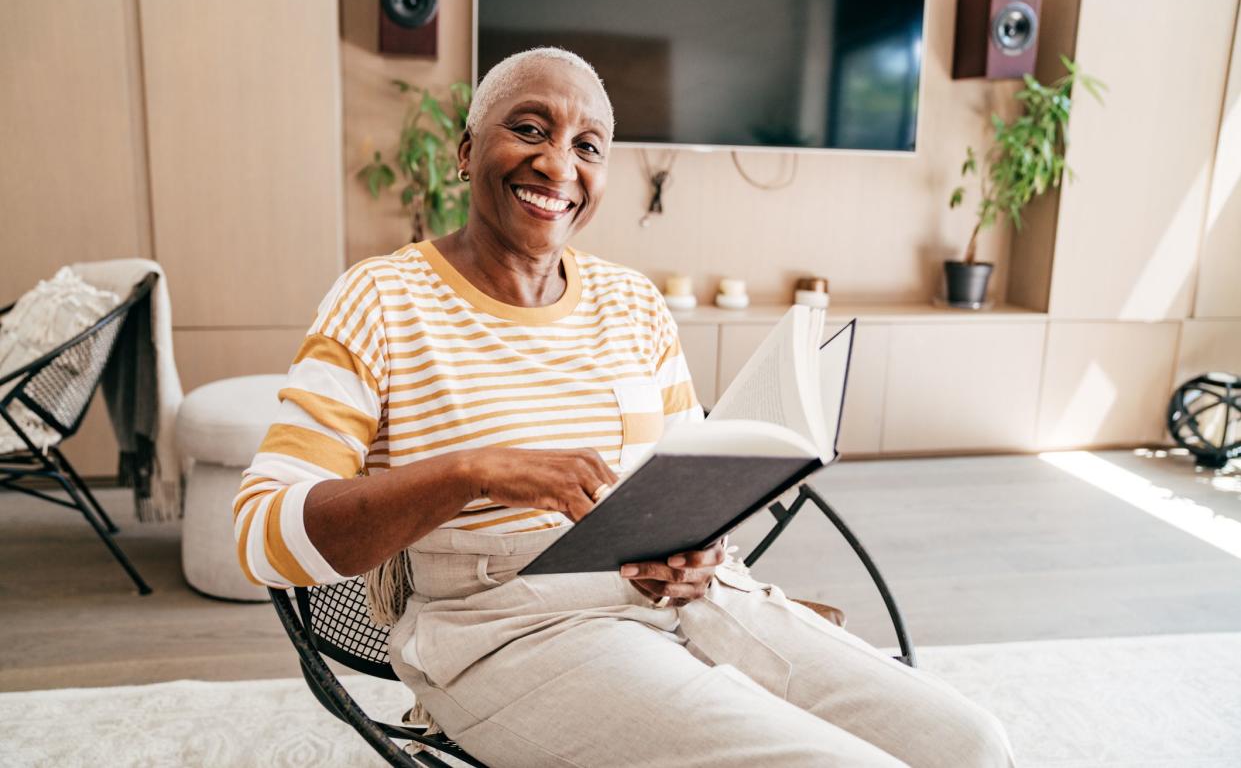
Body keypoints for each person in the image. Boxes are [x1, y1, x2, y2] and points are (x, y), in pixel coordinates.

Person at [236, 47, 1015, 767]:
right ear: (468, 150)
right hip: (507, 629)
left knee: (971, 742)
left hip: (683, 596)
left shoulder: (632, 302)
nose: (557, 163)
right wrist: (471, 473)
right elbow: (263, 536)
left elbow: (685, 477)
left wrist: (699, 548)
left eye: (587, 146)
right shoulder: (379, 299)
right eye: (529, 129)